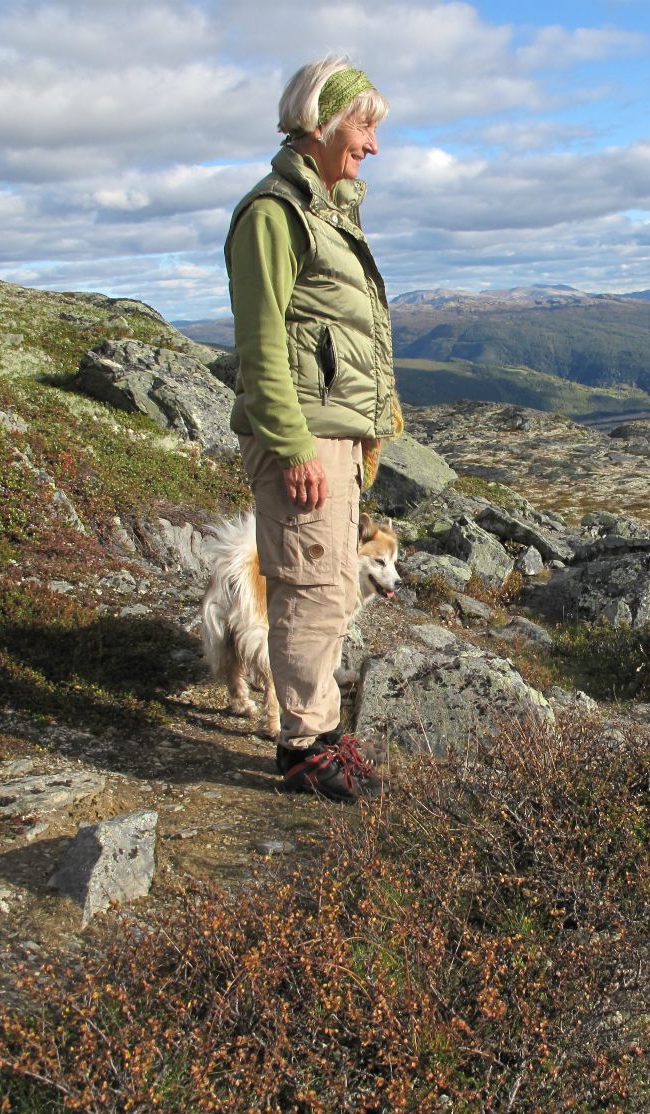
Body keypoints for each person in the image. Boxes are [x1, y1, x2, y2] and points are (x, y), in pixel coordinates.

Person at [223, 55, 399, 801]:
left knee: (328, 590)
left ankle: (323, 735)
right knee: (304, 587)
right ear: (320, 123)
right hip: (303, 434)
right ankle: (303, 750)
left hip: (335, 434)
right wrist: (294, 444)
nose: (373, 145)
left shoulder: (325, 211)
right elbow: (262, 343)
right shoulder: (274, 214)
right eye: (364, 126)